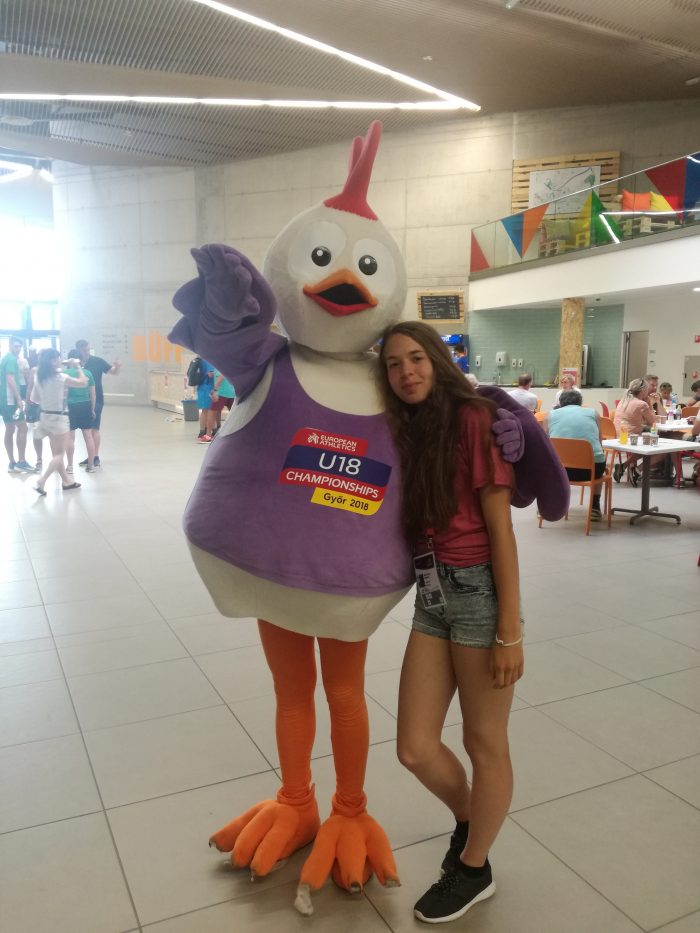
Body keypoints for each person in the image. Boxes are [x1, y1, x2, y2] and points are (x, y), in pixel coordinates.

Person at [377, 321, 522, 925]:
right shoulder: (408, 426)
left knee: (483, 742)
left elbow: (501, 528)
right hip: (432, 595)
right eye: (393, 364)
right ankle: (469, 821)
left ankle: (474, 866)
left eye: (416, 358)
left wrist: (509, 630)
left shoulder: (473, 418)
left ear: (437, 360)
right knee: (414, 747)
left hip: (479, 594)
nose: (406, 372)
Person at [544, 389, 606, 520]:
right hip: (591, 471)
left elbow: (545, 444)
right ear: (580, 402)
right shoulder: (593, 413)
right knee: (599, 460)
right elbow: (599, 443)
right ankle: (595, 507)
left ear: (560, 403)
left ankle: (546, 506)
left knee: (546, 464)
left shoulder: (550, 415)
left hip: (560, 471)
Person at [32, 350, 87, 495]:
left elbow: (35, 399)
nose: (60, 360)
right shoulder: (60, 377)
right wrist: (78, 367)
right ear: (52, 360)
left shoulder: (38, 376)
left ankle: (67, 481)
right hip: (59, 418)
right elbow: (83, 383)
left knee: (56, 452)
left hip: (44, 416)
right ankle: (41, 481)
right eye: (57, 358)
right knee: (60, 454)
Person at [74, 339, 122, 467]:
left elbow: (113, 372)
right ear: (78, 350)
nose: (86, 352)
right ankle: (90, 456)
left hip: (96, 399)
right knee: (86, 430)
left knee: (94, 428)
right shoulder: (75, 364)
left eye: (88, 349)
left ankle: (95, 457)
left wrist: (117, 366)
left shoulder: (97, 361)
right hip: (80, 400)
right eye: (84, 350)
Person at [1, 337, 34, 473]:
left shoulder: (6, 359)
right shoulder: (10, 359)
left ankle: (12, 463)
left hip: (5, 400)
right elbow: (10, 379)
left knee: (9, 429)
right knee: (23, 427)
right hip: (11, 400)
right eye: (15, 346)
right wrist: (19, 399)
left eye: (20, 346)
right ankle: (21, 461)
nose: (18, 349)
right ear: (9, 345)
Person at [64, 349, 97, 473]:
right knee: (88, 436)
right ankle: (91, 465)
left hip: (69, 406)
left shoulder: (64, 373)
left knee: (70, 437)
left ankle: (70, 466)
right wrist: (92, 409)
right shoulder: (87, 373)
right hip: (85, 405)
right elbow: (93, 394)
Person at [24, 348, 44, 470]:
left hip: (50, 406)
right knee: (37, 432)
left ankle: (57, 459)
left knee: (53, 433)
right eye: (39, 355)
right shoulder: (34, 370)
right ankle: (39, 458)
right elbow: (30, 387)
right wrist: (27, 403)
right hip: (35, 405)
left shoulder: (55, 371)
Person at [209, 368, 236, 436]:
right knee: (233, 413)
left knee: (212, 413)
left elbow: (220, 377)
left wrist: (214, 391)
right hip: (231, 392)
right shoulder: (229, 365)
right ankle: (220, 428)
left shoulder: (219, 366)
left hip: (221, 393)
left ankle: (208, 435)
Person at [196, 359, 216, 442]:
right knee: (208, 411)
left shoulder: (201, 358)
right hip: (207, 388)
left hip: (202, 388)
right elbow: (210, 374)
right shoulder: (209, 360)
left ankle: (205, 432)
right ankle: (205, 433)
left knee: (206, 410)